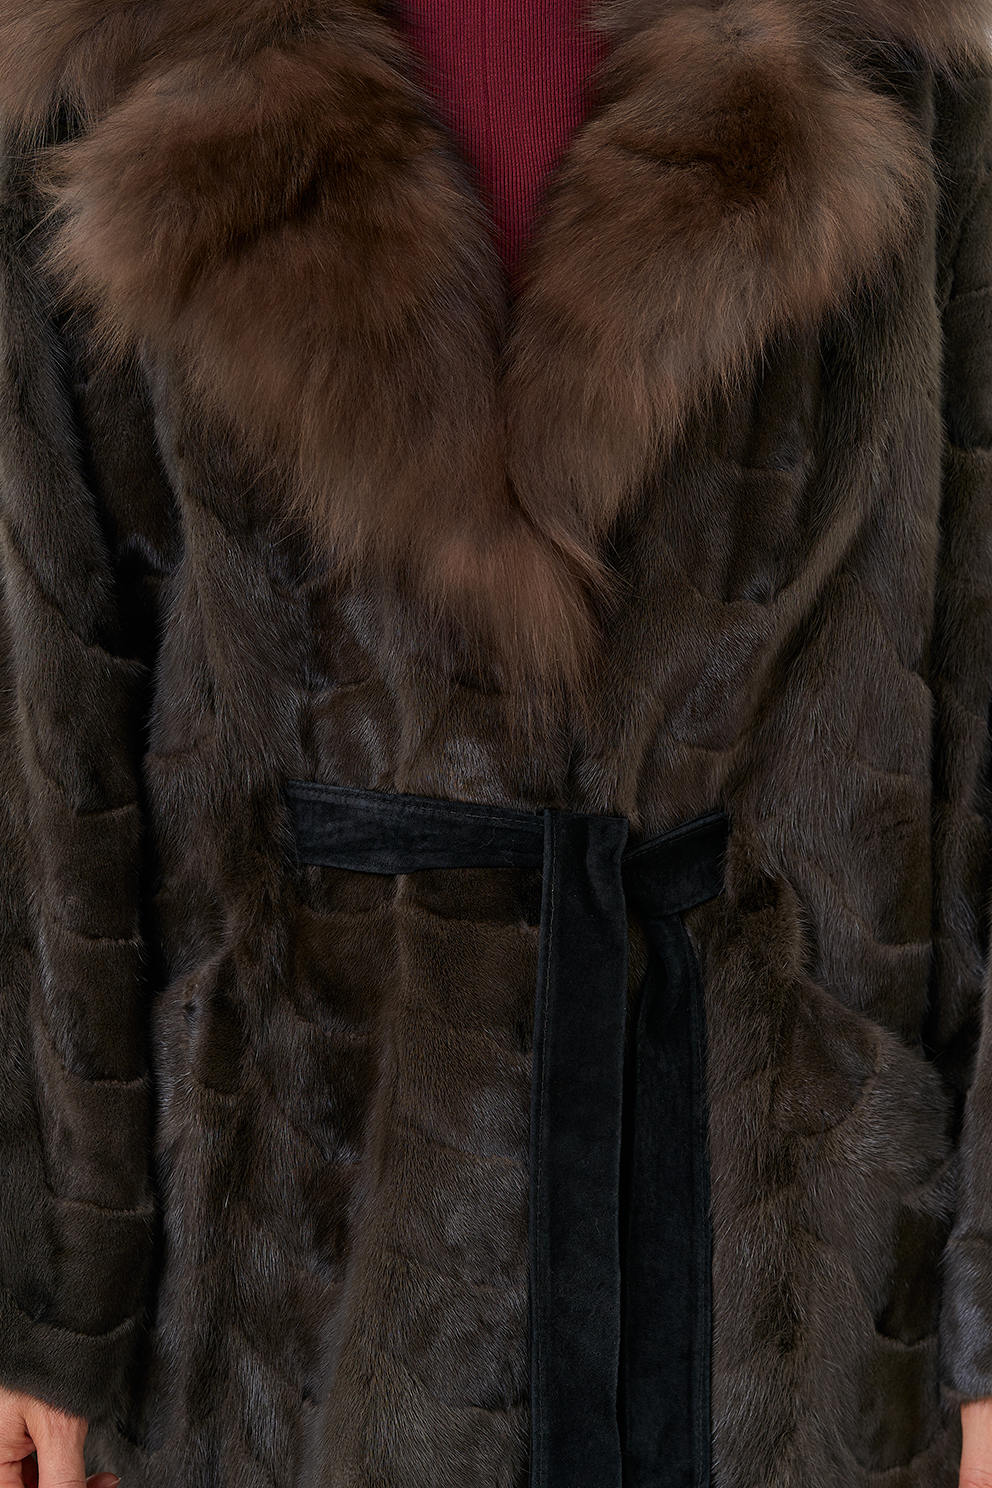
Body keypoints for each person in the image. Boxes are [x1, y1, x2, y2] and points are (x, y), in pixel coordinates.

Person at [2, 0, 992, 1484]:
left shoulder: (892, 49)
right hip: (294, 1254)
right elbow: (50, 718)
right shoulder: (108, 55)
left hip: (796, 1263)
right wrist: (46, 1301)